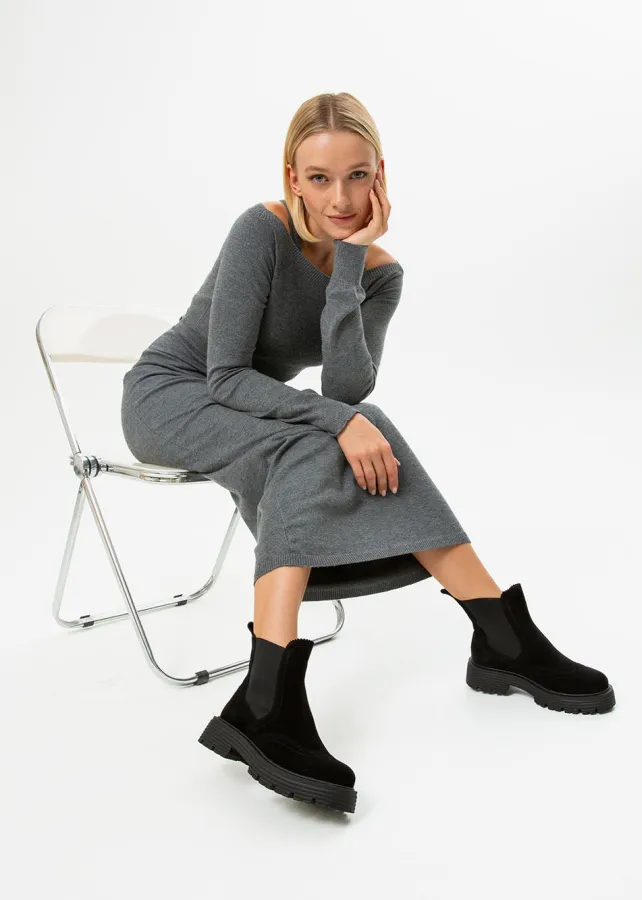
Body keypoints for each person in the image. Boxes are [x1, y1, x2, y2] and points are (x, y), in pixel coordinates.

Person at [121, 92, 615, 815]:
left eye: (357, 176)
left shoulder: (380, 273)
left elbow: (347, 388)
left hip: (255, 408)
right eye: (320, 178)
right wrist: (340, 421)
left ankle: (497, 636)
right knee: (315, 442)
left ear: (380, 174)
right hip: (172, 397)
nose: (341, 199)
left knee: (362, 420)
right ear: (292, 178)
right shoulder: (259, 232)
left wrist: (348, 264)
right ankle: (270, 698)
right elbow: (225, 376)